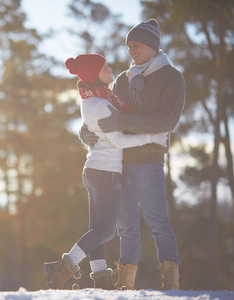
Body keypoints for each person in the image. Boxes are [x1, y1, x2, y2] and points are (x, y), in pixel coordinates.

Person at [43, 53, 168, 290]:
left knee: (97, 230)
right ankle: (61, 268)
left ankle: (100, 278)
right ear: (94, 75)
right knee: (106, 230)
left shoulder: (96, 100)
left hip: (95, 171)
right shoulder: (101, 104)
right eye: (105, 69)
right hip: (105, 173)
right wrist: (152, 137)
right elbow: (118, 140)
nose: (110, 71)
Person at [80, 19, 185, 290]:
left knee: (156, 220)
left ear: (151, 46)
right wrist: (85, 133)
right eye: (128, 46)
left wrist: (123, 124)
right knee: (125, 225)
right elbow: (104, 112)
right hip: (121, 162)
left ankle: (170, 278)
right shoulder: (123, 81)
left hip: (149, 161)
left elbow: (166, 120)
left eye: (135, 45)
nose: (130, 51)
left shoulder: (172, 77)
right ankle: (126, 281)